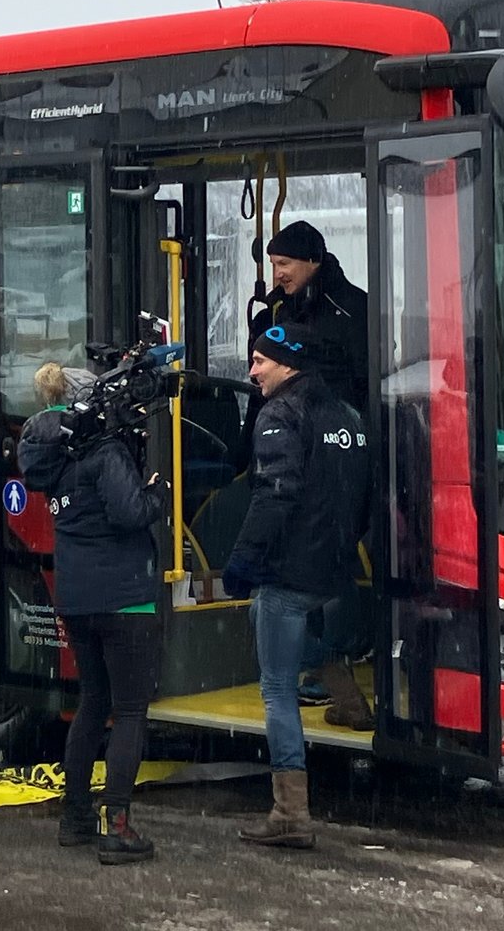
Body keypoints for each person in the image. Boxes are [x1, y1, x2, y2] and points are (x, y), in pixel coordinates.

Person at [220, 325, 371, 850]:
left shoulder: (279, 415)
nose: (253, 370)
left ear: (288, 365)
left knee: (277, 689)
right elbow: (364, 496)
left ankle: (290, 812)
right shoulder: (347, 415)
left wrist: (240, 562)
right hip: (334, 571)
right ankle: (348, 698)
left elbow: (273, 496)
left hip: (288, 572)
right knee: (266, 627)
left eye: (261, 360)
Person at [17, 361, 167, 864]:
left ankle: (75, 816)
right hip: (126, 596)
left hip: (77, 600)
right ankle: (118, 825)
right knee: (129, 711)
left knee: (92, 705)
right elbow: (130, 513)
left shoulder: (56, 461)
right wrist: (158, 494)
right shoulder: (105, 453)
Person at [247, 221, 369, 408]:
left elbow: (367, 373)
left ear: (313, 261)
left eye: (284, 264)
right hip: (286, 415)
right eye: (274, 265)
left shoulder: (351, 307)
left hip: (340, 418)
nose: (278, 274)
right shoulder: (275, 310)